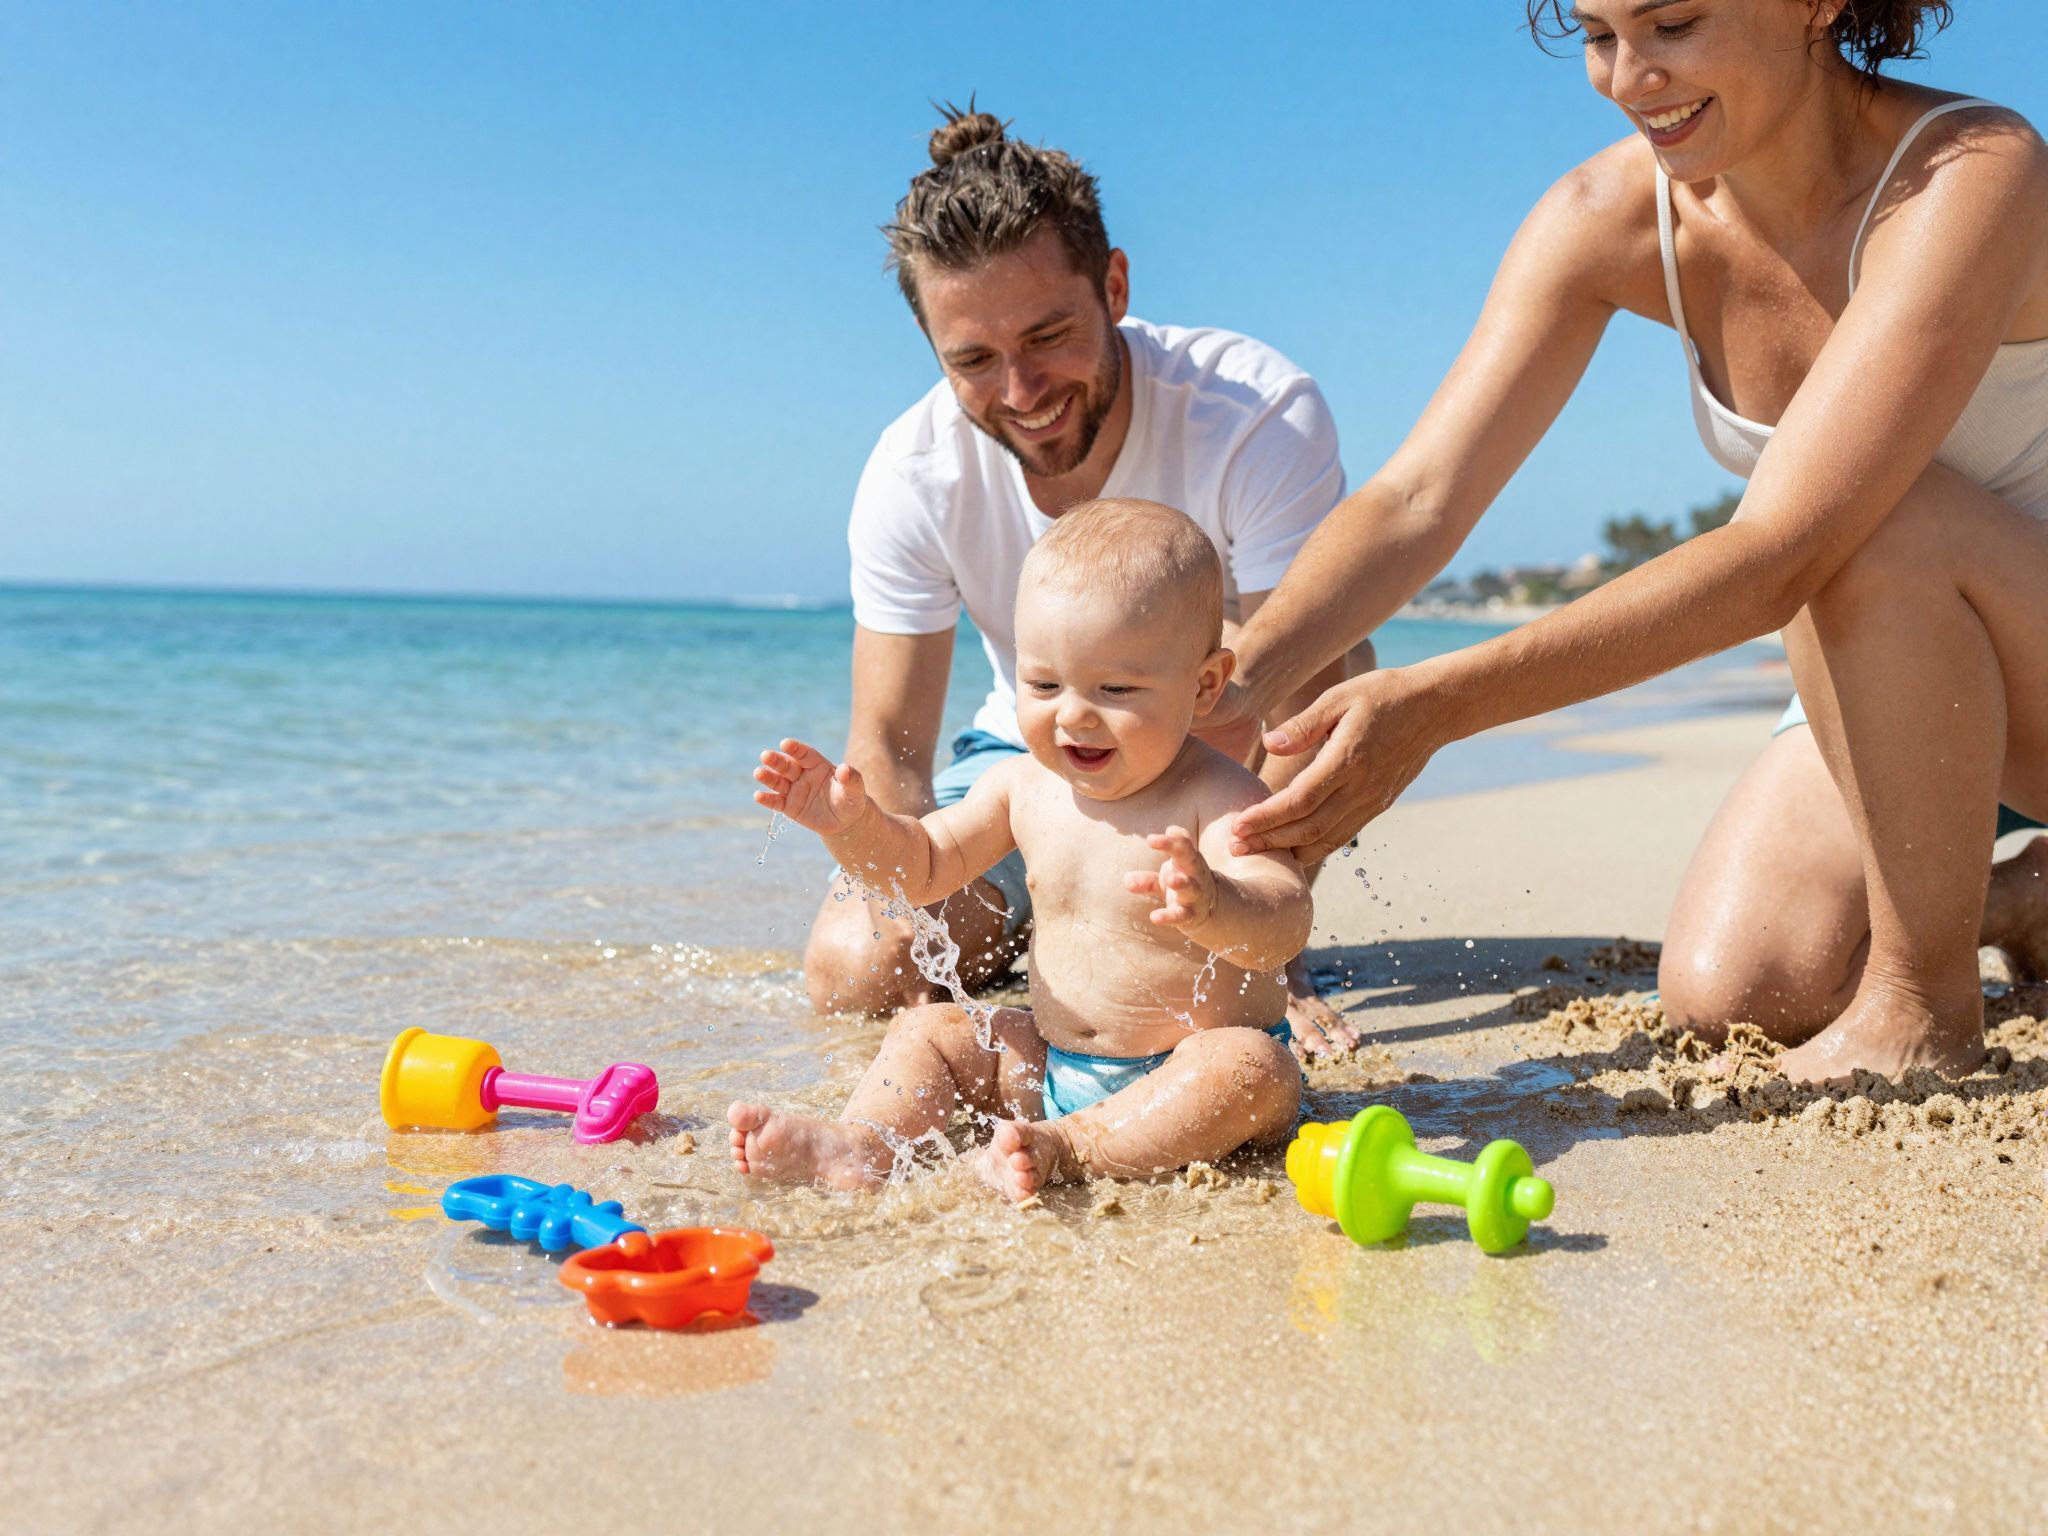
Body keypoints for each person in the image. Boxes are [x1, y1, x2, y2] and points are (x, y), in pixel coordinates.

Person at [1205, 0, 2048, 1086]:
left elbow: (1783, 550)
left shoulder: (1970, 172)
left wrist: (1436, 708)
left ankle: (1919, 1008)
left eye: (1673, 25)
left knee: (1869, 513)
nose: (1626, 76)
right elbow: (1417, 498)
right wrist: (1238, 682)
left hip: (2020, 636)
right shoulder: (1605, 214)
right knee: (1736, 991)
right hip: (1896, 673)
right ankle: (2018, 896)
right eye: (1598, 35)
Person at [804, 103, 1366, 1056]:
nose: (1022, 393)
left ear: (1114, 286)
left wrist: (1266, 948)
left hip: (1227, 745)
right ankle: (1065, 911)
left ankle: (1150, 916)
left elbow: (1312, 686)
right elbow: (892, 749)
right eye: (974, 360)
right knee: (855, 968)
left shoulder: (1250, 410)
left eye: (1049, 335)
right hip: (1037, 756)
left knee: (1253, 720)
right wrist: (923, 968)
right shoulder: (912, 471)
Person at [731, 500, 1311, 1201]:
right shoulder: (1022, 787)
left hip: (1191, 1075)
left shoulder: (1220, 797)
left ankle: (1069, 1150)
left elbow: (1285, 920)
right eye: (1043, 684)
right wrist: (849, 826)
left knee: (1252, 1068)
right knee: (933, 1032)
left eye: (1116, 688)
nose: (1072, 713)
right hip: (1056, 1064)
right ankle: (863, 1144)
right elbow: (920, 867)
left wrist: (1217, 903)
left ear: (1205, 684)